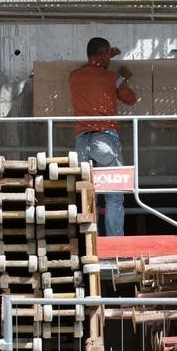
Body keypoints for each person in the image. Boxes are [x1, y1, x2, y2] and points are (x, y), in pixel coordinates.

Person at [69, 37, 136, 237]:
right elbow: (131, 99)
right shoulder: (111, 77)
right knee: (113, 196)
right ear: (105, 54)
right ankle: (115, 243)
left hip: (82, 141)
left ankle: (90, 240)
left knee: (87, 194)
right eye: (107, 54)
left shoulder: (74, 76)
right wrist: (124, 77)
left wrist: (101, 59)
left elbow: (89, 70)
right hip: (105, 139)